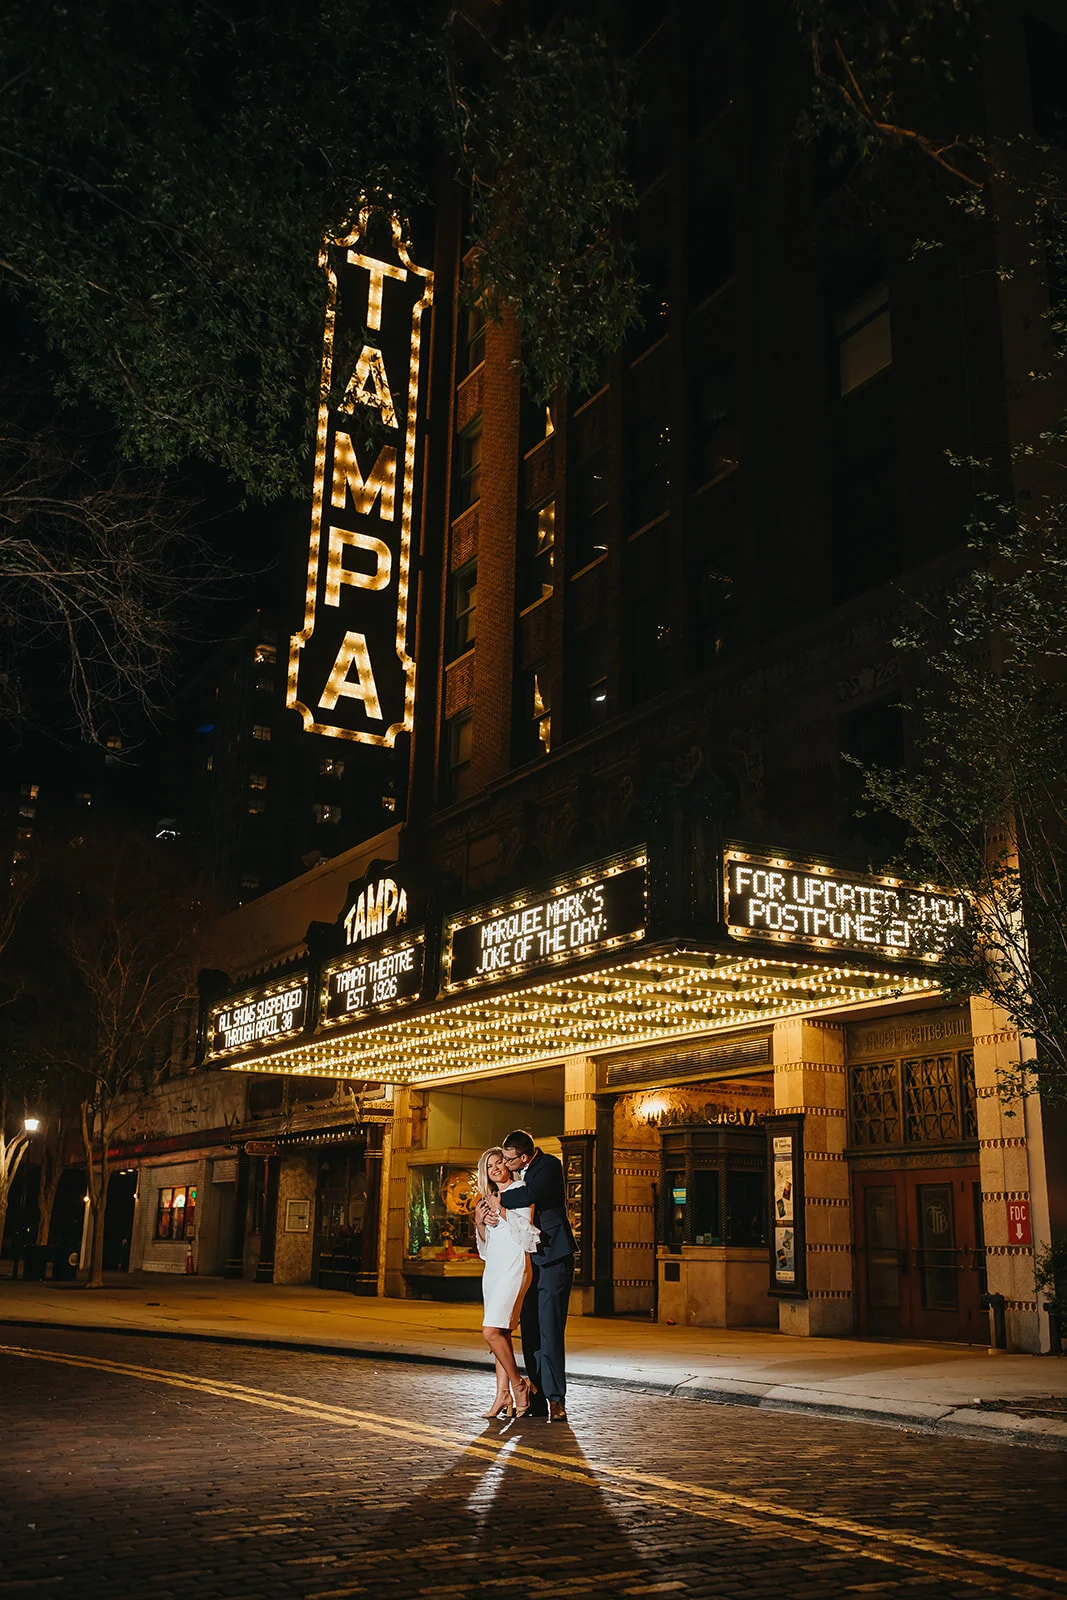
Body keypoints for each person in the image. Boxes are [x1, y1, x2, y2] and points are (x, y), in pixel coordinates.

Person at [496, 1128, 576, 1423]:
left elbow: (530, 1195)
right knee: (530, 1329)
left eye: (509, 1159)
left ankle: (556, 1400)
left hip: (553, 1255)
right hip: (526, 1261)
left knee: (550, 1329)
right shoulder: (516, 1174)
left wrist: (497, 1199)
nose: (505, 1164)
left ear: (525, 1156)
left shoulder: (548, 1165)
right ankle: (537, 1397)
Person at [473, 1147, 540, 1419]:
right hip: (494, 1269)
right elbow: (485, 1248)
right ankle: (502, 1395)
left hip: (515, 1265)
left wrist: (500, 1210)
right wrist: (479, 1222)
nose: (496, 1168)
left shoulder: (521, 1190)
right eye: (490, 1166)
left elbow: (528, 1234)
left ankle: (519, 1385)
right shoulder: (488, 1199)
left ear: (508, 1164)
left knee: (491, 1331)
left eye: (499, 1162)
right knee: (501, 1332)